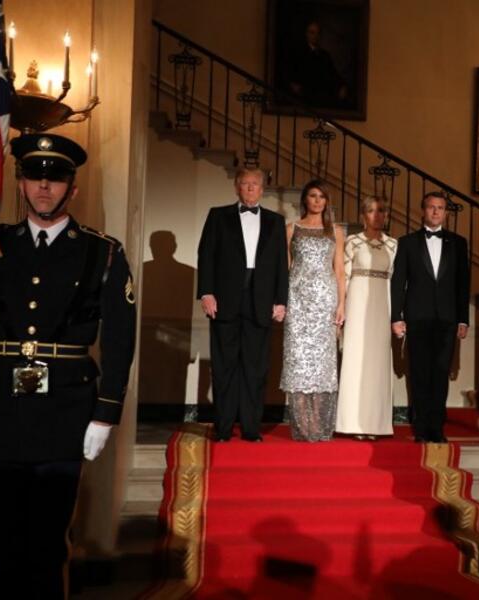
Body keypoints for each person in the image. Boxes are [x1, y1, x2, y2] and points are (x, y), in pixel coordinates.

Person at [0, 133, 136, 598]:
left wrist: (106, 412)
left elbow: (120, 339)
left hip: (64, 412)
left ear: (73, 189)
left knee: (47, 541)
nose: (44, 187)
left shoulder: (102, 251)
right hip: (1, 408)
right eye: (34, 177)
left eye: (56, 178)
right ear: (20, 184)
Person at [197, 167, 288, 442]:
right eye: (245, 184)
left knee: (255, 368)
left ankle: (251, 428)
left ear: (262, 189)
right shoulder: (218, 215)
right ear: (237, 187)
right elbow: (206, 255)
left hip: (260, 301)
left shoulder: (275, 221)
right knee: (224, 367)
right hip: (225, 300)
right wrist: (206, 293)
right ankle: (223, 428)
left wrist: (281, 300)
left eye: (255, 184)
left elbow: (281, 266)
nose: (250, 188)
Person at [391, 191, 469, 443]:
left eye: (440, 208)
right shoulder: (407, 242)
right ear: (423, 210)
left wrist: (463, 319)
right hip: (417, 317)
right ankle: (421, 428)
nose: (436, 212)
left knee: (440, 372)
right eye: (431, 207)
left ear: (445, 212)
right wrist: (396, 316)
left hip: (447, 319)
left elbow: (462, 284)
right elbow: (398, 283)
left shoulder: (458, 243)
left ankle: (436, 428)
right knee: (419, 373)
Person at [280, 180, 345, 441]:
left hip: (325, 302)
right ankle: (302, 427)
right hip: (297, 301)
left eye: (322, 197)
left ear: (327, 201)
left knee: (322, 365)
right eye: (312, 196)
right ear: (305, 199)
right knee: (297, 361)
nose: (317, 201)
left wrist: (342, 305)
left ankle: (319, 426)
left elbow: (339, 271)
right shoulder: (290, 229)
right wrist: (283, 302)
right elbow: (285, 269)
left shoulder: (336, 231)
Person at [336, 196, 397, 438]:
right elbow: (345, 277)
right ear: (363, 216)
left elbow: (396, 281)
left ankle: (375, 425)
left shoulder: (393, 245)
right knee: (356, 359)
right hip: (358, 305)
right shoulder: (353, 242)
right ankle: (352, 423)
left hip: (383, 306)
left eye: (382, 210)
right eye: (372, 211)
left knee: (377, 362)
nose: (377, 215)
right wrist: (342, 306)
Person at [286, 20, 348, 109]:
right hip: (304, 95)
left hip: (320, 96)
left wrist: (342, 85)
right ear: (306, 34)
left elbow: (333, 74)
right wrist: (292, 85)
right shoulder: (297, 52)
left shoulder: (324, 55)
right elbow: (289, 73)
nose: (315, 36)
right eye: (312, 32)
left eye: (317, 33)